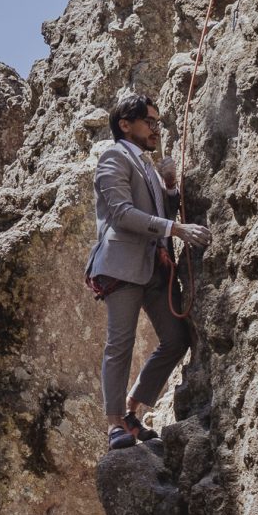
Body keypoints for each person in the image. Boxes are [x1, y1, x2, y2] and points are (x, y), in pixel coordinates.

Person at [87, 92, 212, 451]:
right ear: (126, 125)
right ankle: (114, 425)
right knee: (120, 343)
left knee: (177, 339)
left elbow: (160, 213)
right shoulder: (114, 157)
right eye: (150, 122)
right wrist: (175, 230)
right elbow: (122, 214)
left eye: (157, 122)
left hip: (157, 267)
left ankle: (132, 408)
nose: (156, 129)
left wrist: (169, 187)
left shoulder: (145, 164)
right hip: (123, 266)